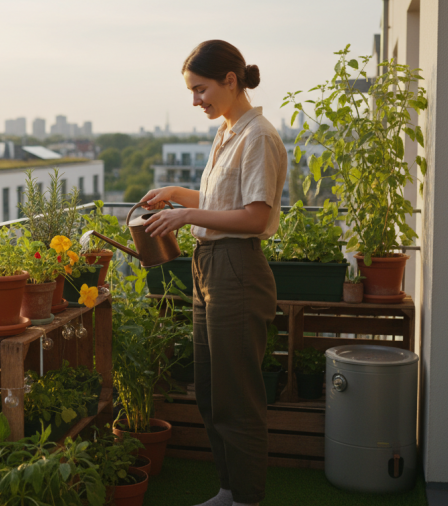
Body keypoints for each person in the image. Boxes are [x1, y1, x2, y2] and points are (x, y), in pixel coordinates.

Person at [141, 40, 287, 506]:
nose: (195, 100)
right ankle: (229, 489)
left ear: (230, 80)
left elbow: (255, 218)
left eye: (200, 89)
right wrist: (178, 194)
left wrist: (186, 218)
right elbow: (221, 203)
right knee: (209, 390)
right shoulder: (227, 132)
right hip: (211, 268)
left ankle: (247, 497)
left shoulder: (257, 135)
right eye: (191, 91)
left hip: (237, 269)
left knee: (236, 397)